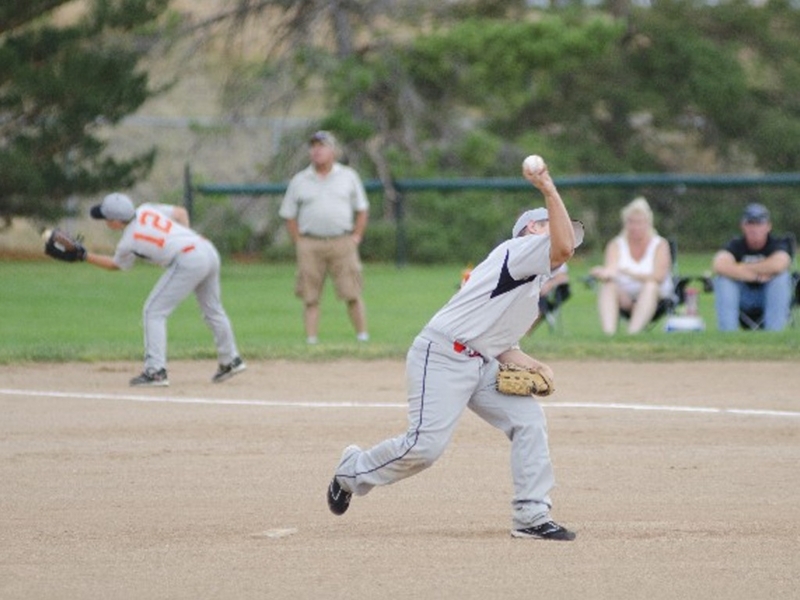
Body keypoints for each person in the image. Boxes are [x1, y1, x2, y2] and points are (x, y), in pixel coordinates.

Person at [326, 157, 585, 541]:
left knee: (528, 421)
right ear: (532, 228)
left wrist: (537, 365)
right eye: (550, 224)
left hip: (477, 362)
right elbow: (562, 248)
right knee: (424, 448)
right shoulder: (518, 250)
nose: (563, 235)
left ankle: (531, 516)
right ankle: (352, 471)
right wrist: (548, 188)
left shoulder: (528, 290)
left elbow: (500, 347)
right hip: (443, 355)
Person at [84, 192, 246, 386]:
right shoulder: (146, 208)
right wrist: (187, 238)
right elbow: (180, 212)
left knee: (154, 311)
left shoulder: (128, 240)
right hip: (206, 248)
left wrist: (83, 256)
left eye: (107, 219)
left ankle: (155, 371)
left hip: (189, 258)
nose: (106, 222)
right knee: (213, 309)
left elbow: (116, 265)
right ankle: (230, 360)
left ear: (116, 222)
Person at [279, 131, 370, 345]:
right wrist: (298, 240)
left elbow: (362, 208)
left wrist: (356, 236)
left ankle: (362, 338)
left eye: (322, 146)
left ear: (333, 151)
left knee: (352, 292)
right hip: (310, 242)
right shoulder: (301, 180)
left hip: (342, 241)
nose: (316, 150)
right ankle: (311, 341)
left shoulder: (348, 176)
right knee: (310, 296)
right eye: (313, 146)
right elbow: (288, 214)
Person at [589, 196, 673, 334]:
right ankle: (609, 334)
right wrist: (601, 273)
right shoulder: (616, 244)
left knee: (650, 286)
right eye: (631, 222)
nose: (635, 227)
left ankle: (633, 333)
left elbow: (658, 277)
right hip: (624, 296)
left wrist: (630, 273)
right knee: (608, 286)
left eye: (639, 222)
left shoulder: (660, 244)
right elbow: (611, 270)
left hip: (655, 297)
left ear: (648, 223)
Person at [711, 203, 793, 331]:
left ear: (768, 226)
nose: (754, 229)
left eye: (759, 223)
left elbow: (779, 264)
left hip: (769, 296)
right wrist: (756, 275)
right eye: (750, 223)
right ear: (743, 226)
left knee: (781, 279)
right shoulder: (736, 244)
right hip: (742, 297)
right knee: (723, 281)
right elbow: (719, 265)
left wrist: (738, 268)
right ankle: (727, 335)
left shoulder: (777, 243)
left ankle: (774, 334)